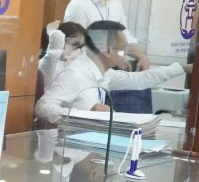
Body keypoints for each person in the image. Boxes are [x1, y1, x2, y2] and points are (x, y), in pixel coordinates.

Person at [34, 20, 191, 125]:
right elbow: (43, 107)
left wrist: (183, 68)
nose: (125, 56)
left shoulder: (105, 74)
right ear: (108, 51)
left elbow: (140, 79)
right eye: (122, 50)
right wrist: (83, 115)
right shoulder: (75, 74)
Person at [39, 20, 87, 90]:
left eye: (81, 47)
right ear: (62, 41)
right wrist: (53, 31)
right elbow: (54, 51)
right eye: (75, 44)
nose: (78, 51)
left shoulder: (74, 68)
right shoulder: (47, 65)